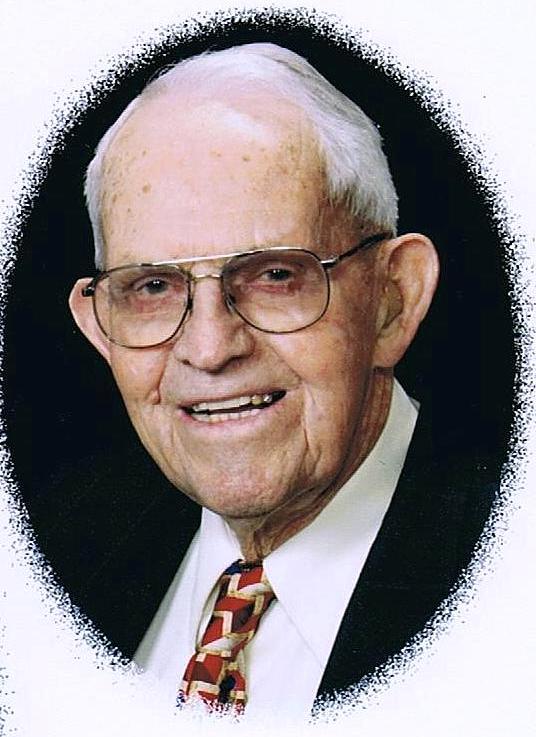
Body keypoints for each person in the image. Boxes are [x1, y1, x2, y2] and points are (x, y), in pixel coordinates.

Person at [65, 42, 490, 719]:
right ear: (101, 329)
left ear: (393, 300)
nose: (209, 349)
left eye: (274, 275)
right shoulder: (57, 546)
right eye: (152, 286)